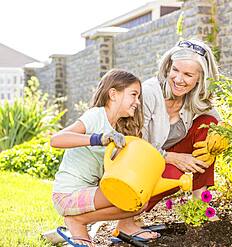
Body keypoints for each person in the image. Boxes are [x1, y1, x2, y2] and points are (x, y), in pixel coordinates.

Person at [120, 39, 228, 231]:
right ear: (168, 67)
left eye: (188, 74)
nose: (179, 79)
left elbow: (213, 117)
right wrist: (173, 158)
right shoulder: (149, 93)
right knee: (172, 177)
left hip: (167, 156)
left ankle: (200, 203)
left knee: (208, 126)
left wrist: (223, 131)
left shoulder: (195, 97)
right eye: (175, 70)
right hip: (139, 162)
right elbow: (134, 145)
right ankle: (128, 215)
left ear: (200, 78)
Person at [50, 69, 159, 247]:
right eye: (134, 95)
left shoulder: (117, 130)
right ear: (113, 94)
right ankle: (77, 222)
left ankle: (79, 222)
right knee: (133, 199)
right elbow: (56, 140)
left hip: (87, 195)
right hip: (68, 195)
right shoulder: (96, 116)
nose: (137, 102)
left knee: (138, 200)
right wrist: (98, 138)